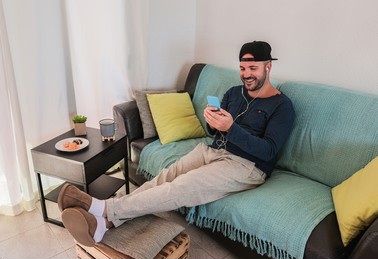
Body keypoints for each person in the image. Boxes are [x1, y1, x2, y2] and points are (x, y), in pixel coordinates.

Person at [58, 41, 295, 247]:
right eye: (242, 68)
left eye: (253, 68)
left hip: (246, 166)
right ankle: (104, 224)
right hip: (212, 151)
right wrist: (212, 121)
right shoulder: (234, 92)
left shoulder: (282, 106)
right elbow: (214, 132)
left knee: (179, 187)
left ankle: (105, 209)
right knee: (164, 178)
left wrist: (231, 128)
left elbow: (269, 150)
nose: (246, 74)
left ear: (268, 66)